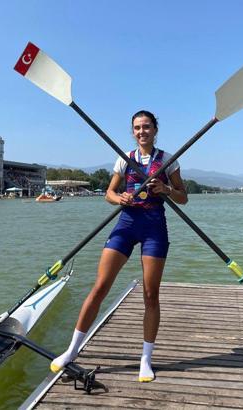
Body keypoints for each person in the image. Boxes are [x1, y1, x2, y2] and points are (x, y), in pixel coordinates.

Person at [51, 110, 188, 382]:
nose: (142, 132)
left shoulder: (168, 161)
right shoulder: (125, 160)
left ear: (155, 130)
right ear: (133, 131)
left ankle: (146, 360)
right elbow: (109, 194)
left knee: (151, 294)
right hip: (126, 224)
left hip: (154, 227)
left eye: (146, 127)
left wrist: (166, 190)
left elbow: (183, 198)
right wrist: (120, 198)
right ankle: (71, 351)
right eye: (137, 128)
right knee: (101, 286)